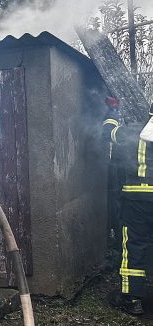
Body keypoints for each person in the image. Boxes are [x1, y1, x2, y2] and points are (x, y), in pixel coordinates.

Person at [103, 98, 153, 316]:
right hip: (138, 201)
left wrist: (112, 110)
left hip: (136, 202)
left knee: (134, 245)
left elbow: (108, 132)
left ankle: (132, 300)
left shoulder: (132, 132)